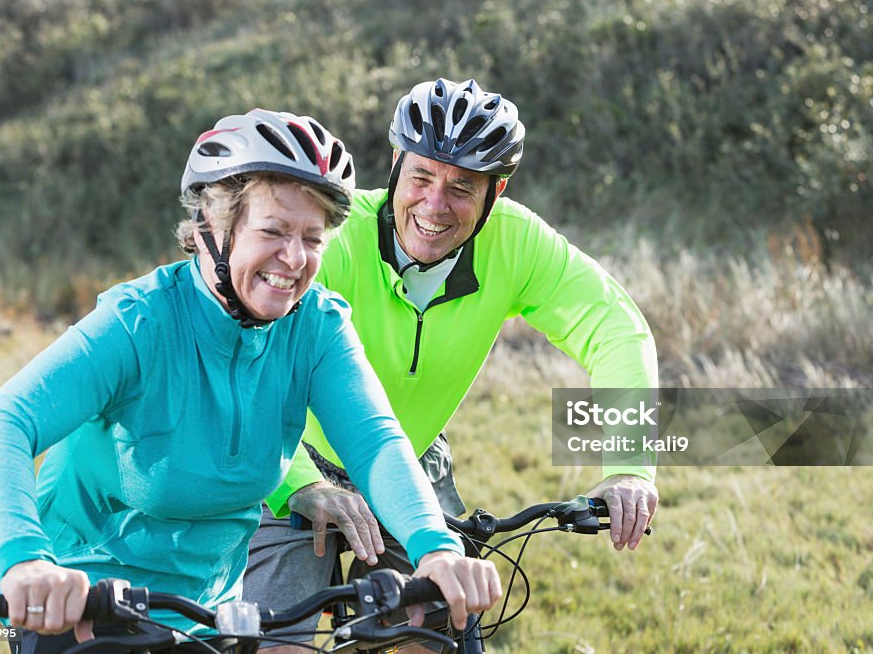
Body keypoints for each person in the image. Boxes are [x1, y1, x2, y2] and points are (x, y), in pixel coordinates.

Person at [0, 108, 501, 654]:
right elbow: (1, 427)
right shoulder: (138, 323)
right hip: (81, 603)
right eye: (273, 231)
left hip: (210, 614)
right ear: (212, 228)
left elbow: (377, 443)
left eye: (313, 239)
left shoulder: (316, 326)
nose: (294, 259)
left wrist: (435, 548)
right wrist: (25, 560)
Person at [244, 79, 659, 651]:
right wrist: (299, 484)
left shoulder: (516, 242)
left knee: (426, 636)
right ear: (394, 164)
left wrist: (629, 464)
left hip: (409, 464)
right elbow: (249, 366)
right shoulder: (333, 239)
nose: (434, 205)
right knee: (272, 641)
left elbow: (614, 327)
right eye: (421, 177)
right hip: (291, 457)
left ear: (496, 191)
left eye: (462, 187)